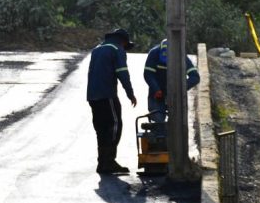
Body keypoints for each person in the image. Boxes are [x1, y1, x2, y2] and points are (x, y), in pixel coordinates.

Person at [86, 28, 138, 175]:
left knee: (101, 128)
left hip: (92, 96)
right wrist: (130, 93)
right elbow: (122, 73)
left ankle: (102, 162)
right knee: (115, 125)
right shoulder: (117, 49)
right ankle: (108, 161)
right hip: (107, 95)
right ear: (123, 41)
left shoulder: (97, 49)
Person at [143, 37, 201, 125]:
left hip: (176, 96)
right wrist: (156, 89)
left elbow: (195, 77)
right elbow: (148, 74)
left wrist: (180, 89)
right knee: (158, 121)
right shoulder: (154, 53)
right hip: (157, 94)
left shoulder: (182, 56)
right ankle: (159, 134)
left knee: (177, 123)